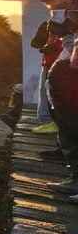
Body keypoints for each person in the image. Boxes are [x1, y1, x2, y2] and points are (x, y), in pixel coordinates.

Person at [46, 34, 78, 188]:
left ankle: (76, 180)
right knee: (68, 134)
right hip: (64, 93)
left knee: (71, 135)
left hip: (69, 92)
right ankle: (74, 178)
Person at [30, 18, 66, 129]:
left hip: (62, 64)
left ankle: (50, 121)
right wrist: (46, 47)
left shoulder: (70, 24)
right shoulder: (48, 25)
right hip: (54, 64)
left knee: (49, 92)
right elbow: (36, 43)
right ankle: (50, 121)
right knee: (48, 92)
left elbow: (35, 44)